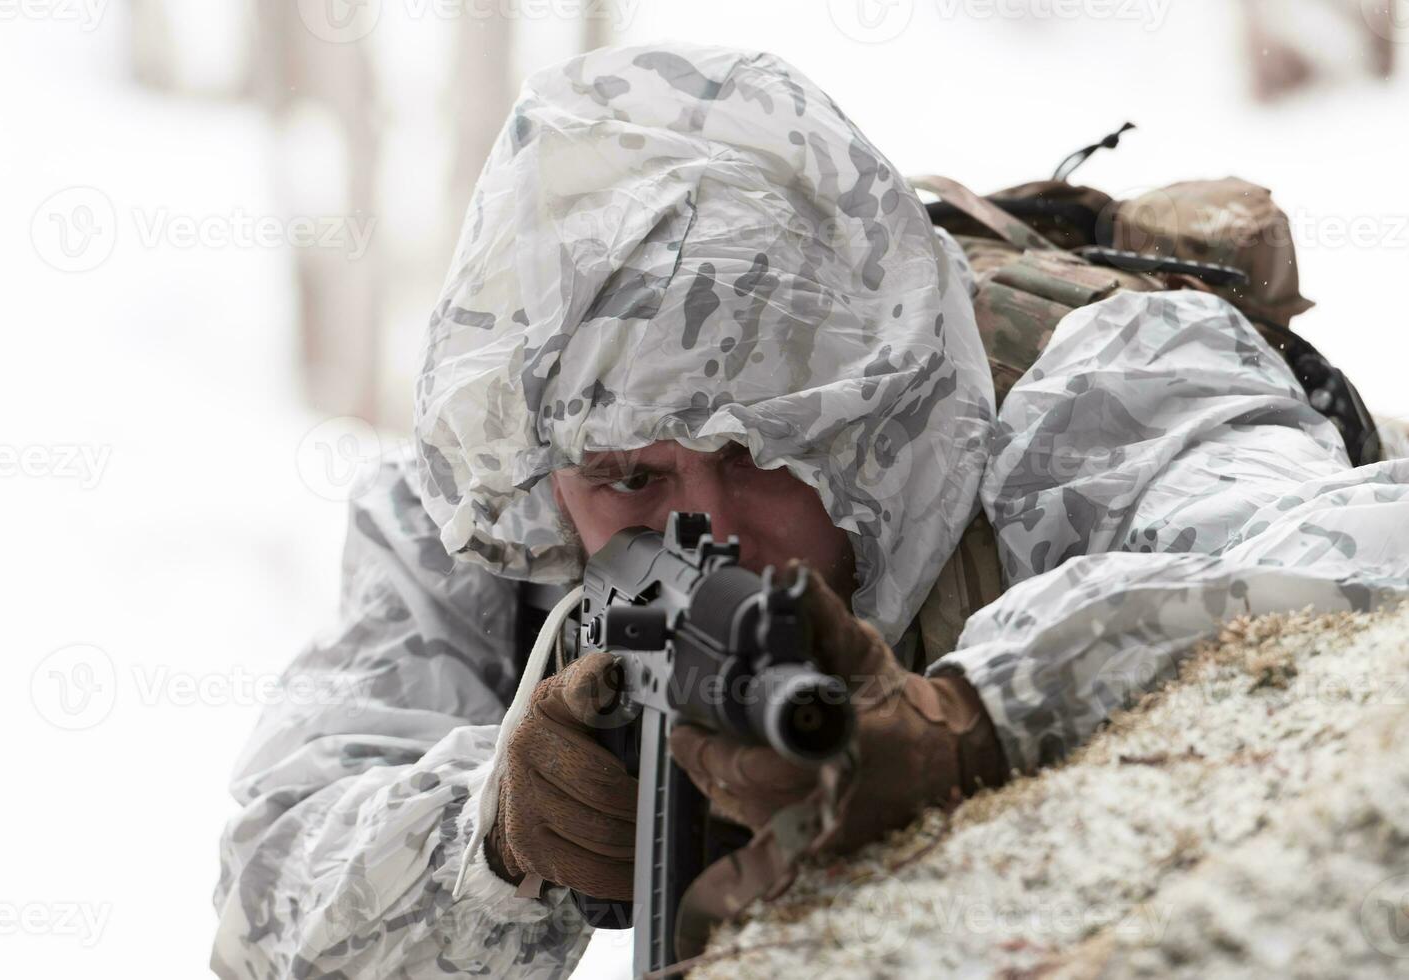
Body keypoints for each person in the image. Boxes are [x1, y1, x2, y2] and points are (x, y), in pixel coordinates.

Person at [211, 43, 1409, 979]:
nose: (710, 528)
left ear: (871, 407)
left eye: (766, 450)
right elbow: (267, 919)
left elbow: (1365, 551)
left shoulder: (1088, 385)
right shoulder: (497, 489)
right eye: (632, 477)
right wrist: (492, 839)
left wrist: (977, 717)